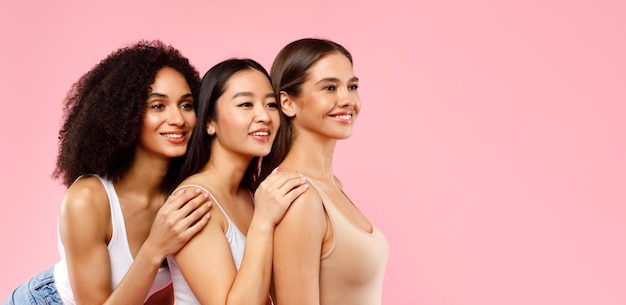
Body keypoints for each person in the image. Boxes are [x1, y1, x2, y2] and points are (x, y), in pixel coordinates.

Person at [3, 40, 212, 305]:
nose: (178, 119)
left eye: (186, 105)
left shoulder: (183, 195)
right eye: (158, 106)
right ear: (125, 114)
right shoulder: (88, 199)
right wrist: (155, 248)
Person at [167, 58, 308, 305]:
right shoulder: (192, 202)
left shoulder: (254, 196)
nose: (264, 115)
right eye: (245, 104)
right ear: (209, 122)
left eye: (271, 104)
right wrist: (263, 222)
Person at [261, 37, 390, 304]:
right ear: (287, 103)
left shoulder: (331, 185)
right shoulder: (299, 197)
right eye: (329, 87)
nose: (346, 99)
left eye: (352, 86)